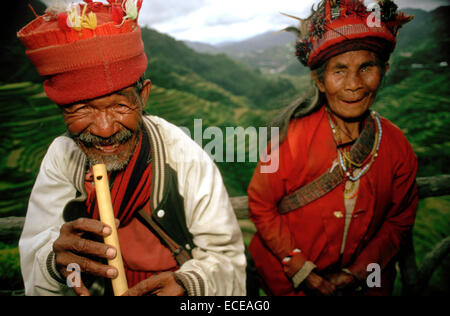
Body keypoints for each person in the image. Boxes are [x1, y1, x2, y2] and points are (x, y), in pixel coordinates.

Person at [17, 0, 246, 296]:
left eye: (119, 105)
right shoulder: (63, 158)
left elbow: (227, 259)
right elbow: (37, 256)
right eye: (81, 109)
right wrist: (56, 264)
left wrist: (188, 285)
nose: (104, 129)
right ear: (62, 111)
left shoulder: (184, 156)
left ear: (144, 97)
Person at [248, 0, 417, 296]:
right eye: (339, 70)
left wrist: (356, 273)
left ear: (384, 70)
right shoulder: (292, 139)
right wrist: (303, 270)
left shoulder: (396, 146)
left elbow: (399, 219)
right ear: (320, 80)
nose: (353, 84)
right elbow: (261, 205)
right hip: (293, 285)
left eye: (366, 67)